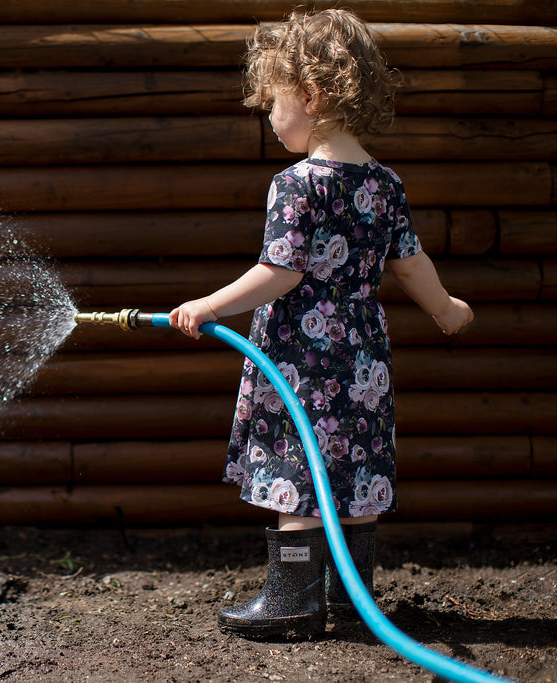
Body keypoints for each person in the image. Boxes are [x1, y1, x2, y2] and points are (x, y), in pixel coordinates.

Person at [169, 8, 473, 638]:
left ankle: (291, 603)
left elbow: (280, 272)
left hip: (301, 358)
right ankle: (352, 602)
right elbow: (411, 264)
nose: (270, 116)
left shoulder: (297, 183)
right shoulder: (385, 183)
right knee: (354, 469)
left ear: (309, 95)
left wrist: (208, 305)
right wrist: (446, 309)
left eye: (273, 102)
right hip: (361, 358)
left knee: (297, 469)